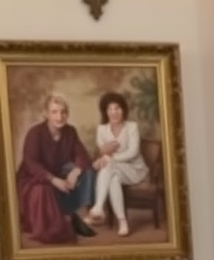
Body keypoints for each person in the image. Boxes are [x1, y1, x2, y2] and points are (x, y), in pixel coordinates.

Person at [15, 93, 97, 244]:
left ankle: (76, 213)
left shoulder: (70, 131)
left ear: (68, 114)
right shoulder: (35, 133)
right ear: (46, 114)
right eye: (54, 112)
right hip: (34, 178)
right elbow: (30, 163)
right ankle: (66, 220)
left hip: (58, 172)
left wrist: (76, 171)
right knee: (42, 190)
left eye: (63, 112)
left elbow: (83, 155)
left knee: (87, 171)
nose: (59, 117)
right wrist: (53, 180)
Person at [89, 91, 149, 238]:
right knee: (113, 178)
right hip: (115, 170)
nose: (114, 112)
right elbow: (103, 152)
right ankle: (123, 222)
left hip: (135, 170)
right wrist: (105, 158)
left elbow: (133, 152)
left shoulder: (132, 127)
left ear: (123, 110)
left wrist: (109, 158)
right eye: (110, 109)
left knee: (108, 166)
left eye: (118, 108)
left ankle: (98, 207)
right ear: (105, 111)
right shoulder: (101, 129)